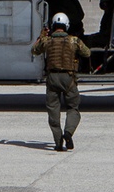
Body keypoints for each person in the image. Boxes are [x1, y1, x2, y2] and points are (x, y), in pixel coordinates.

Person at [31, 12, 91, 151]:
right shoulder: (74, 40)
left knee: (53, 111)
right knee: (73, 108)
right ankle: (68, 132)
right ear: (66, 26)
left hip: (52, 78)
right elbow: (87, 53)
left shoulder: (47, 41)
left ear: (53, 25)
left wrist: (42, 36)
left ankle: (58, 142)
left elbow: (34, 50)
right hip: (69, 78)